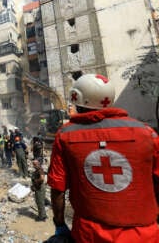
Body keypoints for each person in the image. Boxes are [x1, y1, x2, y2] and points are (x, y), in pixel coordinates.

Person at [48, 74, 159, 242]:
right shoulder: (147, 133)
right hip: (146, 235)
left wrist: (60, 223)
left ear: (76, 98)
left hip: (89, 235)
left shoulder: (65, 135)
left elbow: (57, 188)